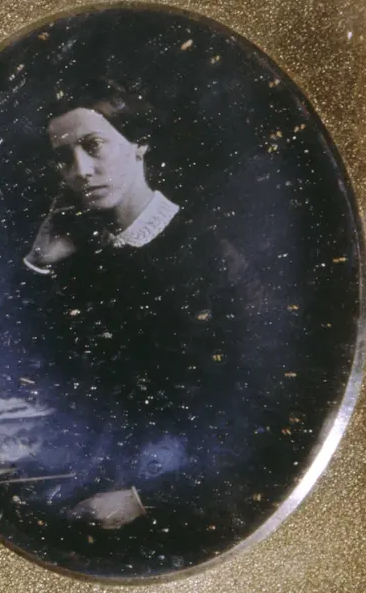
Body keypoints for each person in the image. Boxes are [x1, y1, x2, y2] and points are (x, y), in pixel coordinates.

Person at [22, 78, 269, 546]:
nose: (80, 170)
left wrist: (144, 499)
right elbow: (33, 378)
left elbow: (252, 413)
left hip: (182, 505)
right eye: (64, 157)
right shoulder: (79, 256)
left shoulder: (213, 257)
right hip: (86, 485)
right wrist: (38, 263)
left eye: (93, 145)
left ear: (139, 145)